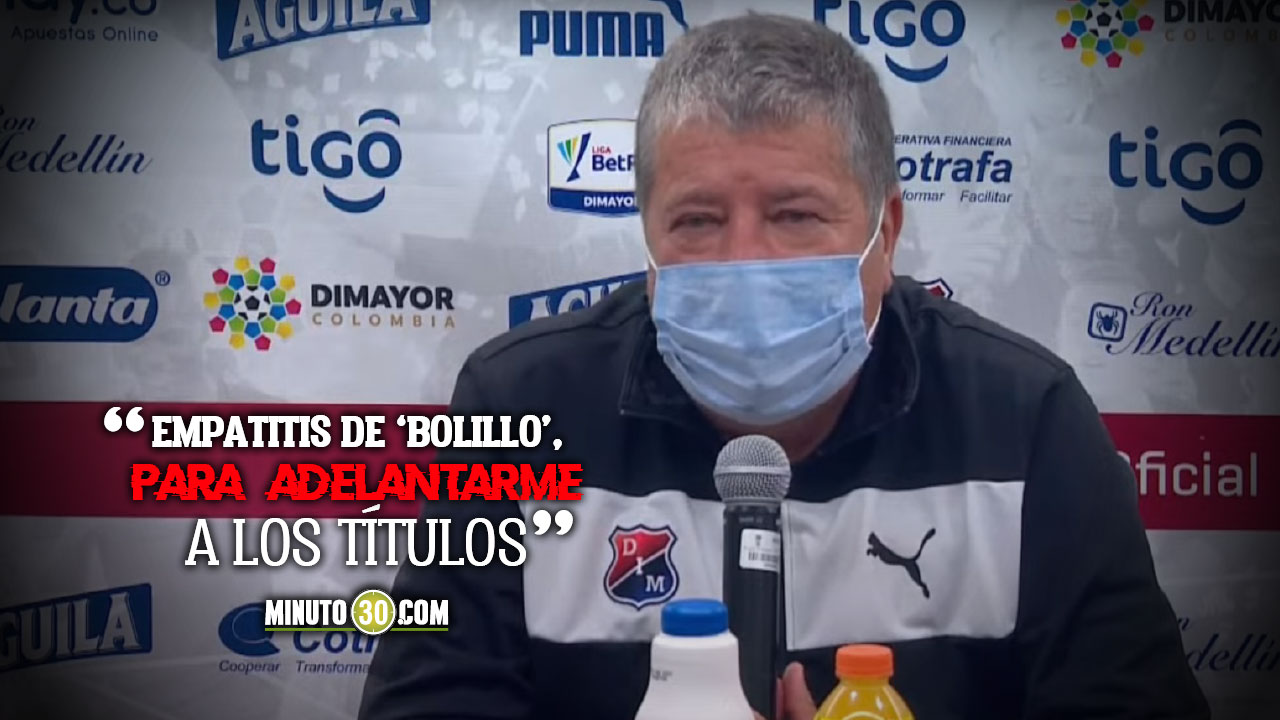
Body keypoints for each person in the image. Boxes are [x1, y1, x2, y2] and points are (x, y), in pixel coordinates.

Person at [359, 13, 1209, 720]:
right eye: (697, 221)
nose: (744, 260)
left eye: (796, 215)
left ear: (886, 233)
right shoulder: (517, 410)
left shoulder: (1025, 420)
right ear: (647, 242)